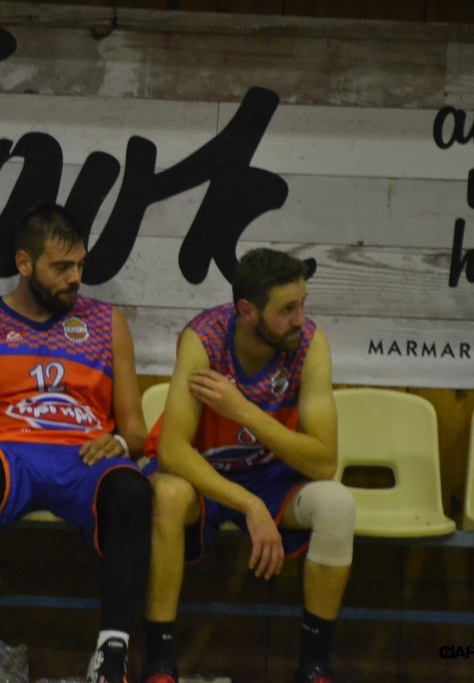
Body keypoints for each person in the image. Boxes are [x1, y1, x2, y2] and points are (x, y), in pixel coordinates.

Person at [0, 203, 152, 683]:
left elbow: (136, 430)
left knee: (134, 491)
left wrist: (120, 441)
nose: (75, 278)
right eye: (62, 267)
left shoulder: (106, 324)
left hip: (84, 457)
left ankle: (111, 659)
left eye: (81, 266)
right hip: (9, 456)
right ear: (24, 263)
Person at [139, 248, 355, 683]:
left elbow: (324, 462)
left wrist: (243, 411)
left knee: (337, 505)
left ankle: (314, 666)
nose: (300, 319)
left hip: (269, 475)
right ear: (247, 311)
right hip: (204, 473)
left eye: (302, 304)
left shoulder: (311, 344)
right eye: (287, 310)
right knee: (168, 494)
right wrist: (249, 504)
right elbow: (173, 452)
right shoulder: (204, 339)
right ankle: (159, 663)